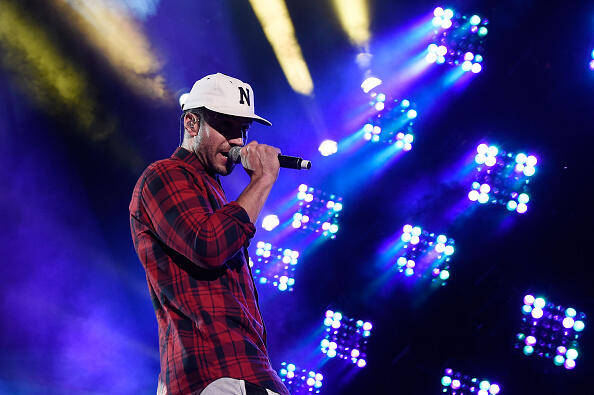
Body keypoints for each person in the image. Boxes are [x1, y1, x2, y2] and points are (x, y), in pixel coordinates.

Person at [129, 73, 290, 395]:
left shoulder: (213, 193)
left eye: (242, 130)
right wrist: (261, 181)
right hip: (217, 372)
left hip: (231, 371)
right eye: (227, 127)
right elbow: (208, 246)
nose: (237, 142)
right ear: (191, 123)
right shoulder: (164, 174)